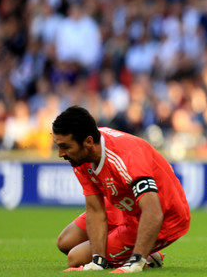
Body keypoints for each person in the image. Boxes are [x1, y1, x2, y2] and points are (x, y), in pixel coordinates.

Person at [52, 106, 190, 272]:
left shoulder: (127, 156)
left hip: (165, 215)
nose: (61, 153)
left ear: (88, 142)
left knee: (76, 257)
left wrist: (136, 262)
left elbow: (153, 212)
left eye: (65, 147)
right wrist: (98, 261)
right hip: (127, 203)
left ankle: (143, 252)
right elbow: (95, 210)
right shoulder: (82, 156)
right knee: (65, 241)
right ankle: (146, 253)